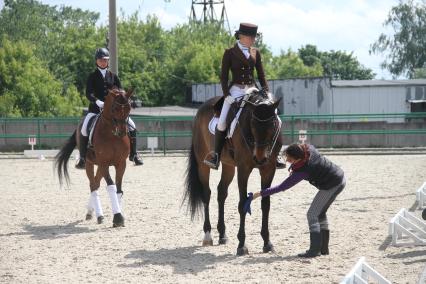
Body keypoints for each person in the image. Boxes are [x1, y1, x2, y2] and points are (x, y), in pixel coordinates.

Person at [203, 22, 286, 170]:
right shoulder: (229, 52)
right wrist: (226, 94)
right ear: (241, 36)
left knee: (276, 117)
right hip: (236, 89)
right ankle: (216, 155)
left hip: (253, 89)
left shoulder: (256, 52)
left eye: (254, 37)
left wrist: (266, 92)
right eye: (250, 37)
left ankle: (276, 154)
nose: (253, 40)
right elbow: (223, 77)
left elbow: (261, 74)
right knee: (222, 122)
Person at [246, 143, 346, 257]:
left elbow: (282, 187)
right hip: (338, 177)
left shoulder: (303, 170)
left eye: (289, 158)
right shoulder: (307, 149)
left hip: (333, 184)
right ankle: (323, 249)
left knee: (312, 214)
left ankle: (314, 250)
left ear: (298, 158)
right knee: (320, 213)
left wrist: (260, 193)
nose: (287, 160)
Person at [75, 47, 143, 169]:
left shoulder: (113, 76)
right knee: (84, 128)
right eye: (101, 60)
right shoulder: (92, 76)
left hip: (114, 111)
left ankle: (134, 154)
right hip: (96, 110)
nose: (103, 62)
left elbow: (121, 92)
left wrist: (126, 100)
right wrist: (97, 101)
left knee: (132, 125)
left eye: (105, 60)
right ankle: (82, 158)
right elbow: (88, 93)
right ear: (96, 61)